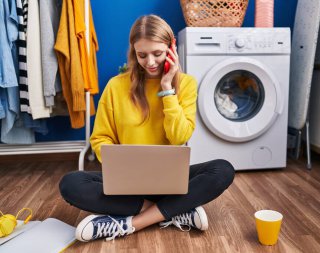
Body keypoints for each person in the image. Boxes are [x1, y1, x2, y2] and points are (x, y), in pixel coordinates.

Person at [59, 14, 235, 243]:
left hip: (170, 183)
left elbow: (179, 137)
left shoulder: (187, 84)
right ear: (134, 52)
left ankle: (131, 223)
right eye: (142, 55)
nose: (150, 62)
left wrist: (167, 90)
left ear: (171, 49)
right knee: (70, 184)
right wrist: (122, 166)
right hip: (127, 185)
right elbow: (101, 138)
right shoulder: (115, 86)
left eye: (157, 54)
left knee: (222, 169)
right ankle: (176, 211)